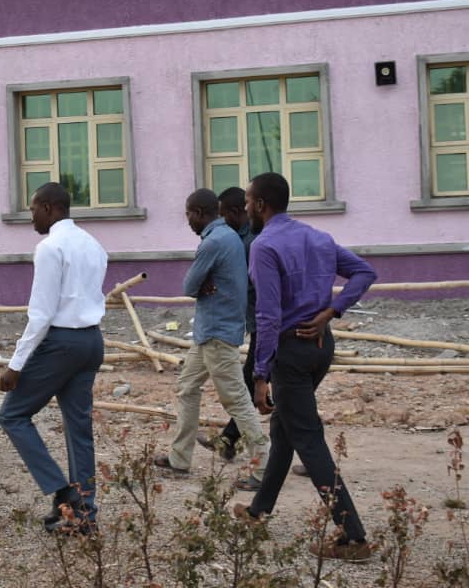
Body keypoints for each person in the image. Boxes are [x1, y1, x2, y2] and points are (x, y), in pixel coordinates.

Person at [234, 172, 376, 563]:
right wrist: (332, 311)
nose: (245, 206)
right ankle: (258, 510)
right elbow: (365, 272)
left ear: (261, 204)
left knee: (308, 437)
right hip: (319, 348)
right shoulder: (319, 238)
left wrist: (260, 374)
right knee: (286, 430)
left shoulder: (263, 246)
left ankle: (353, 536)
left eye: (248, 200)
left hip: (290, 352)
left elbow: (266, 314)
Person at [0, 182, 107, 534]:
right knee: (79, 430)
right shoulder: (94, 244)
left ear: (48, 207)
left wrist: (16, 364)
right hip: (92, 340)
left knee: (12, 414)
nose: (31, 216)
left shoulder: (49, 247)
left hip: (61, 343)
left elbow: (41, 315)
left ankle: (61, 490)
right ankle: (84, 513)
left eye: (32, 209)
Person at [154, 189, 268, 490]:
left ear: (200, 213)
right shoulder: (229, 237)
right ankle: (180, 457)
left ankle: (264, 465)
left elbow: (189, 285)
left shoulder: (214, 241)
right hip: (209, 331)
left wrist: (203, 282)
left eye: (189, 214)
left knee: (236, 399)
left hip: (217, 332)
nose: (188, 220)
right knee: (187, 387)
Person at [196, 186, 259, 463]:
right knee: (248, 379)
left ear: (235, 212)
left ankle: (255, 450)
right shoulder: (237, 237)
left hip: (263, 319)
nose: (218, 222)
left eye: (222, 215)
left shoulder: (248, 241)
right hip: (254, 319)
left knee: (250, 382)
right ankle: (229, 439)